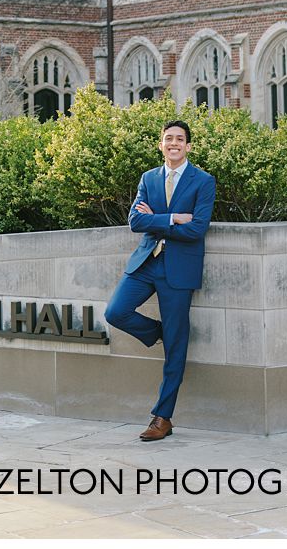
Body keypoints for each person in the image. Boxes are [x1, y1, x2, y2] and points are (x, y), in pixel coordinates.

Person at [103, 118, 215, 442]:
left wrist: (157, 220)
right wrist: (172, 218)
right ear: (160, 144)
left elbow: (198, 228)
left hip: (179, 268)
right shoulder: (149, 178)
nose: (174, 143)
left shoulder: (203, 181)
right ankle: (160, 332)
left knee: (176, 349)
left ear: (188, 146)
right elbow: (135, 221)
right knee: (116, 311)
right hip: (146, 263)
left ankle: (162, 417)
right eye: (169, 138)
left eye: (180, 139)